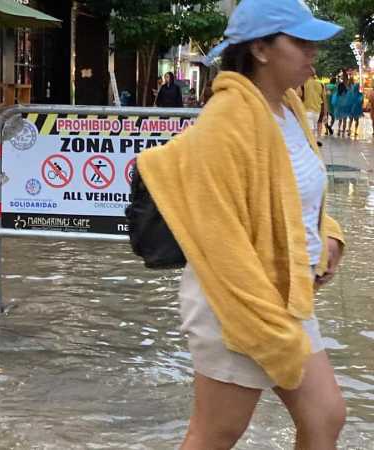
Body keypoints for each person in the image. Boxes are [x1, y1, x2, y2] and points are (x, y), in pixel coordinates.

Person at [136, 0, 346, 448]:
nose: (312, 52)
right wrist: (264, 325)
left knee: (326, 416)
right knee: (215, 435)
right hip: (234, 305)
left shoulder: (287, 110)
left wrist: (328, 237)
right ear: (262, 50)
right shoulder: (226, 121)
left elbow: (298, 196)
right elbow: (219, 239)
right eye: (300, 41)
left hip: (287, 298)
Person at [301, 69, 327, 136]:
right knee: (313, 129)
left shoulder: (303, 84)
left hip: (306, 110)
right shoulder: (321, 84)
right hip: (317, 111)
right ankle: (314, 143)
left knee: (310, 131)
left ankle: (312, 144)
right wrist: (325, 114)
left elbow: (298, 96)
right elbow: (324, 100)